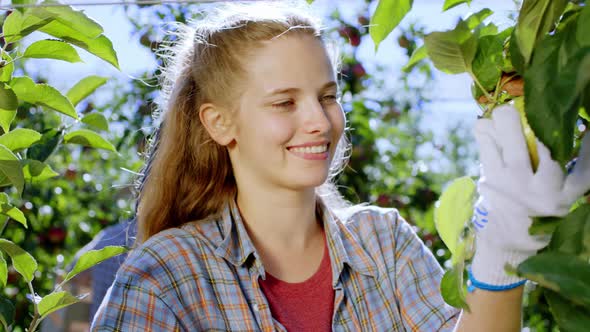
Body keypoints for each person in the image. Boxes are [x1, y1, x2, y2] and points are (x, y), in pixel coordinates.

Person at [91, 1, 590, 331]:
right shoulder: (166, 275)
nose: (319, 121)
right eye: (284, 103)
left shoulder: (383, 243)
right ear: (221, 123)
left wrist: (499, 258)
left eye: (327, 96)